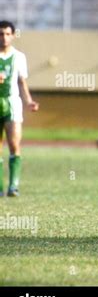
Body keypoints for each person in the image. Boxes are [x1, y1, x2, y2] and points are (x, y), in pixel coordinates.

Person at [0, 20, 39, 197]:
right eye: (1, 34)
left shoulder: (19, 57)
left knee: (14, 144)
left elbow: (22, 82)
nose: (4, 38)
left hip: (12, 104)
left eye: (7, 34)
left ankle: (13, 186)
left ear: (13, 35)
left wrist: (29, 101)